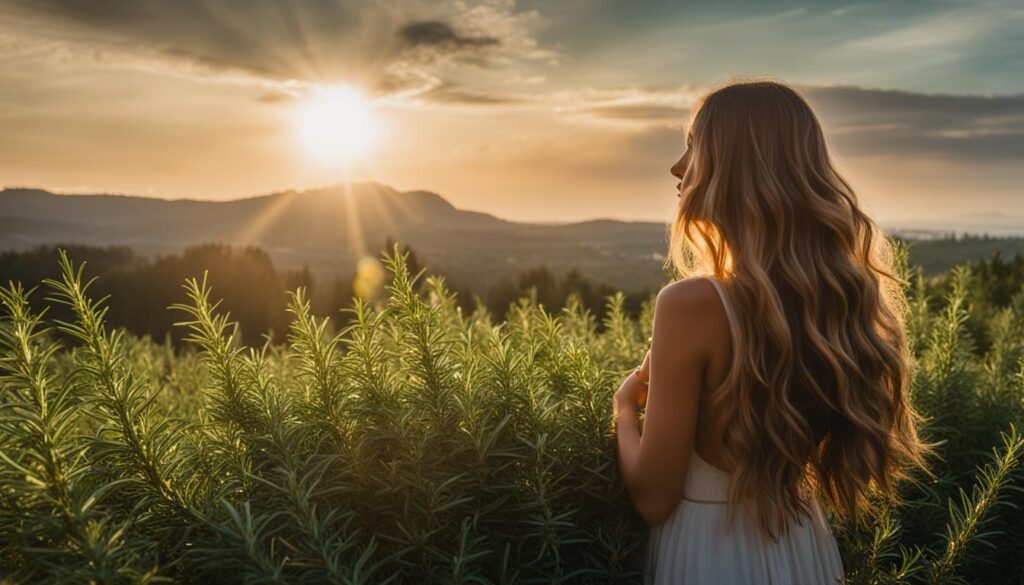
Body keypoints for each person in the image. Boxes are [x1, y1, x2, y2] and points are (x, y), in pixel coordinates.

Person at [612, 79, 934, 584]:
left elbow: (654, 498)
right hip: (804, 550)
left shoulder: (691, 304)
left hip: (711, 559)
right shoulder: (828, 303)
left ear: (737, 164)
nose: (677, 167)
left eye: (695, 147)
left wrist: (625, 407)